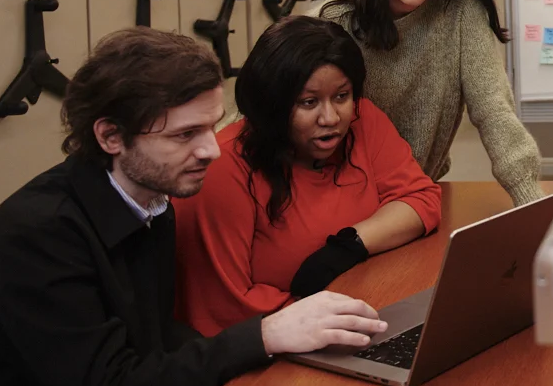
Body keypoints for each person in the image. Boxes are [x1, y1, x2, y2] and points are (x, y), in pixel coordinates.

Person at [0, 28, 390, 386]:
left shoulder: (152, 200)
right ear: (111, 136)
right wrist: (263, 336)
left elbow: (151, 340)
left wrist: (247, 355)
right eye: (186, 134)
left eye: (212, 125)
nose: (209, 149)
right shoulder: (36, 239)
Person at [175, 17, 442, 335]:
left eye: (341, 96)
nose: (331, 118)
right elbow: (223, 310)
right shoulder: (222, 168)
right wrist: (335, 317)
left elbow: (420, 200)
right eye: (308, 102)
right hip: (271, 346)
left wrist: (349, 245)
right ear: (271, 105)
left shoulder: (361, 119)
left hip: (363, 307)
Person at [314, 0, 542, 205]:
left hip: (417, 195)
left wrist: (529, 200)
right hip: (339, 196)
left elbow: (493, 110)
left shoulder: (459, 10)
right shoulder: (336, 16)